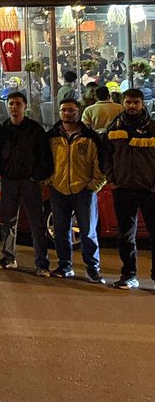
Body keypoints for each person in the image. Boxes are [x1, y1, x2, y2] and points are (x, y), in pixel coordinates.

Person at [0, 92, 55, 275]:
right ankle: (8, 257)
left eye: (17, 104)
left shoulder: (35, 130)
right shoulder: (2, 129)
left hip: (29, 182)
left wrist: (35, 177)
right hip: (9, 181)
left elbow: (44, 157)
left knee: (36, 224)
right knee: (8, 222)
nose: (14, 107)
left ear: (25, 106)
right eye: (11, 103)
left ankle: (41, 263)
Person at [46, 98, 105, 282]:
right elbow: (45, 161)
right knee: (61, 231)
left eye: (71, 110)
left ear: (78, 112)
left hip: (84, 191)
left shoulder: (90, 137)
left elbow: (100, 164)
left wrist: (93, 185)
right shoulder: (52, 136)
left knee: (88, 232)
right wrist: (50, 181)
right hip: (59, 189)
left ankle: (92, 268)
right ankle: (65, 266)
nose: (67, 113)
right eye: (64, 110)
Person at [102, 89, 155, 289]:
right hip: (122, 189)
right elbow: (105, 157)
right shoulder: (113, 127)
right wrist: (112, 180)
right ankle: (128, 274)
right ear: (123, 103)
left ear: (143, 104)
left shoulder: (152, 127)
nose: (132, 106)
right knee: (125, 234)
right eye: (128, 102)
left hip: (149, 191)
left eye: (136, 102)